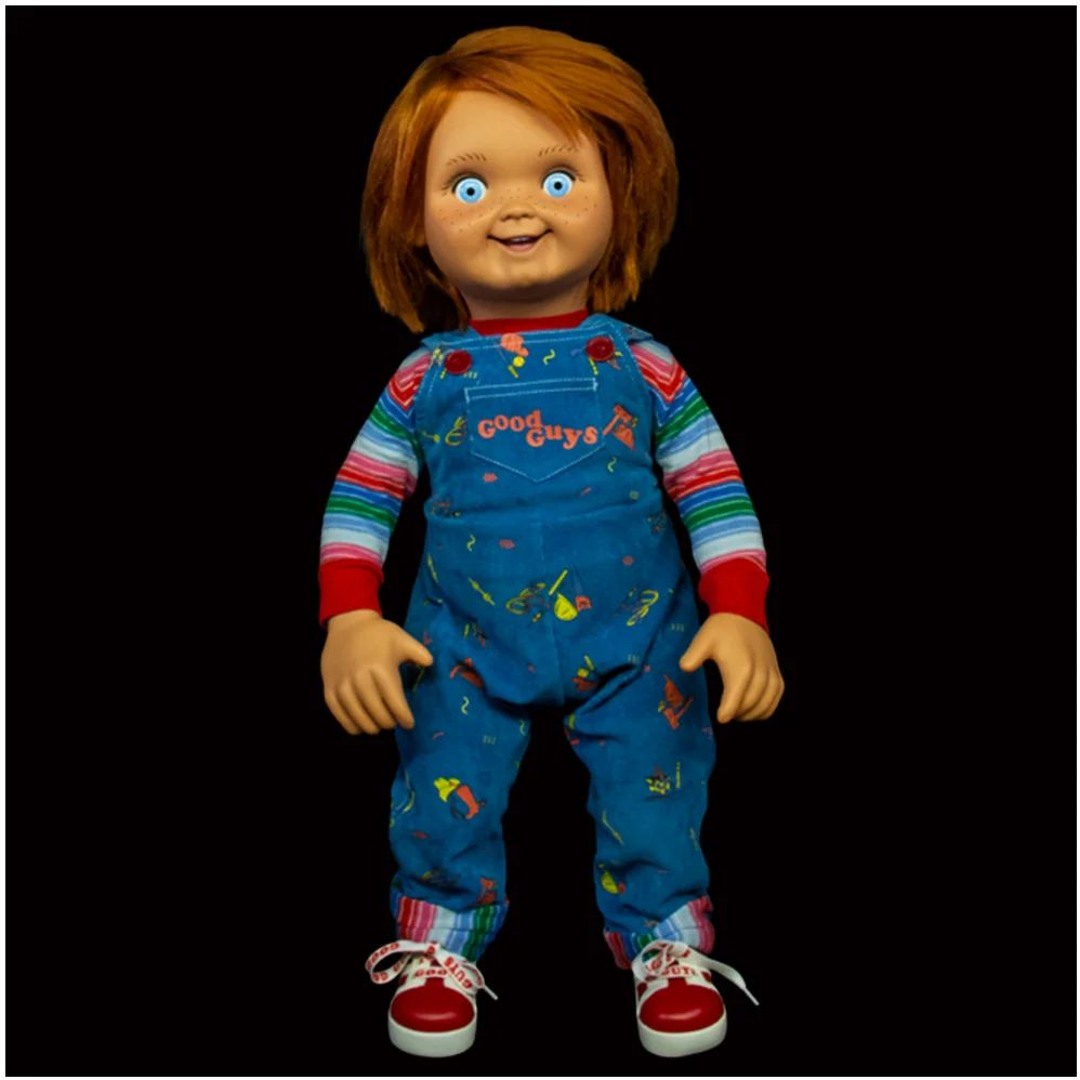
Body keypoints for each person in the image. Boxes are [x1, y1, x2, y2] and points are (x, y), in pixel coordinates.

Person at [318, 26, 783, 1059]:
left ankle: (668, 943)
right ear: (410, 221)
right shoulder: (420, 380)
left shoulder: (648, 367)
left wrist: (741, 611)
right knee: (440, 796)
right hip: (461, 643)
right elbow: (362, 497)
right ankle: (438, 942)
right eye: (469, 185)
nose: (518, 207)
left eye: (560, 177)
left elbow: (714, 489)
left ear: (622, 194)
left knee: (656, 791)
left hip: (641, 641)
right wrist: (349, 616)